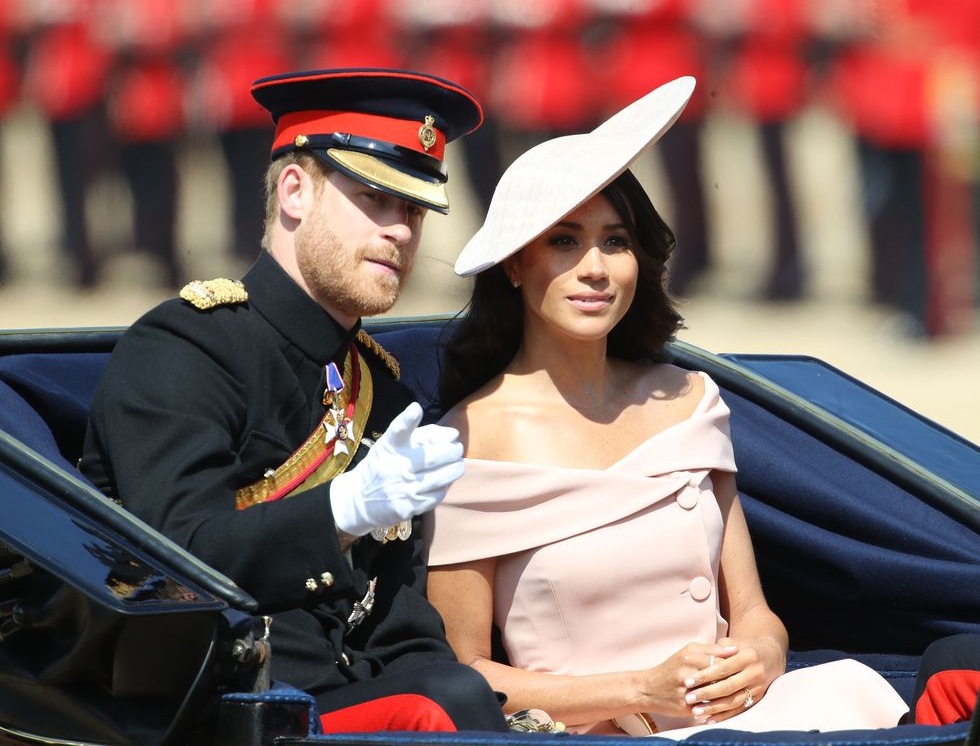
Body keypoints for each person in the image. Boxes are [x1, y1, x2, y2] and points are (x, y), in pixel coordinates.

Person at [424, 77, 908, 737]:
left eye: (615, 241)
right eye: (564, 241)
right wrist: (638, 687)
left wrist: (761, 656)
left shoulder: (688, 399)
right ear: (514, 264)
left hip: (749, 718)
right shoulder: (468, 438)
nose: (595, 267)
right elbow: (462, 677)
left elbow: (755, 613)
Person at [80, 68, 507, 735]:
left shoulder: (381, 389)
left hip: (340, 704)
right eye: (375, 198)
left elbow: (400, 632)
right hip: (218, 711)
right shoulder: (187, 347)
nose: (401, 231)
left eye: (415, 211)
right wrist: (341, 510)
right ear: (294, 190)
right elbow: (177, 559)